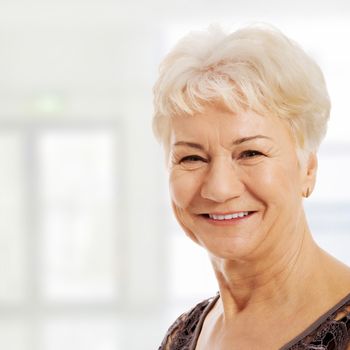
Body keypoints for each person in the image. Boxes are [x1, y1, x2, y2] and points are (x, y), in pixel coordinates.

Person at [152, 24, 350, 350]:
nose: (218, 188)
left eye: (250, 153)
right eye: (191, 158)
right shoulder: (183, 334)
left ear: (308, 169)